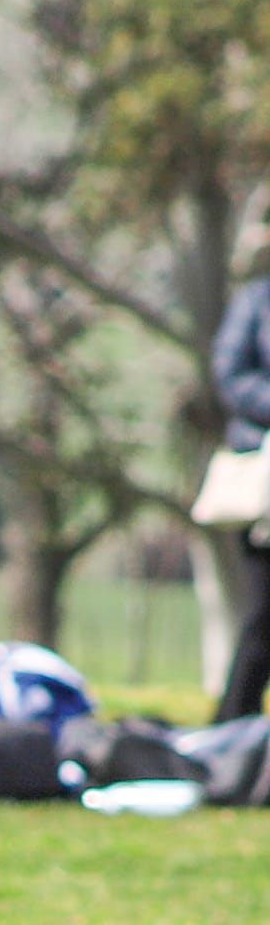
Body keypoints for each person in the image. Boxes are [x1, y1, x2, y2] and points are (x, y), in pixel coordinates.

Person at [208, 268, 270, 723]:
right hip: (264, 480)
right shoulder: (258, 299)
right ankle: (231, 729)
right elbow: (229, 374)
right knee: (264, 615)